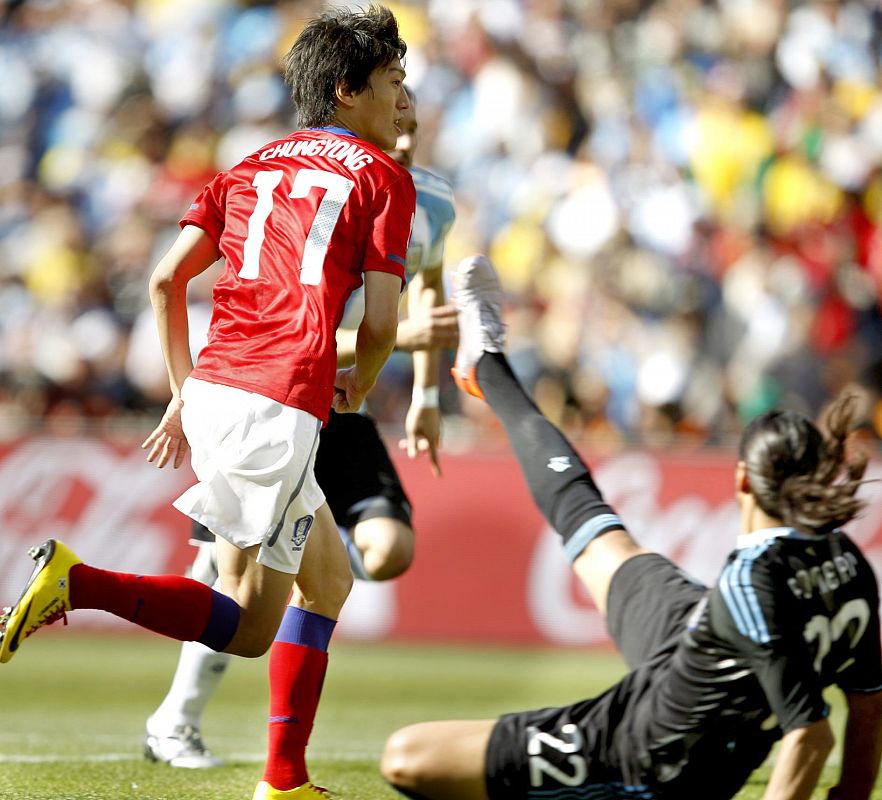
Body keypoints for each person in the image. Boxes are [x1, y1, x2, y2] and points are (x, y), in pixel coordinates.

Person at [0, 7, 415, 799]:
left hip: (225, 384)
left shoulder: (246, 165)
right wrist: (358, 381)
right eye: (393, 81)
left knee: (327, 583)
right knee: (252, 626)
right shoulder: (381, 177)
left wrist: (186, 389)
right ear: (347, 90)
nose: (403, 98)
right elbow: (385, 321)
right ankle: (76, 583)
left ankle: (285, 781)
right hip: (279, 400)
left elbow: (165, 282)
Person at [380, 255, 882, 800]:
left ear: (742, 480)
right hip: (699, 641)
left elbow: (810, 736)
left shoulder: (749, 585)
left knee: (406, 757)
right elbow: (869, 701)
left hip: (644, 753)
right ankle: (486, 365)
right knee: (595, 531)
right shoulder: (846, 560)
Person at [143, 92, 459, 768]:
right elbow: (309, 329)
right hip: (285, 392)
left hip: (340, 404)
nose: (400, 134)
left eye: (410, 124)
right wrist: (398, 340)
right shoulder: (333, 183)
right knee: (241, 591)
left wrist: (427, 394)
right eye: (393, 113)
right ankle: (177, 721)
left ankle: (281, 767)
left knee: (386, 552)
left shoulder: (429, 201)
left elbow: (427, 289)